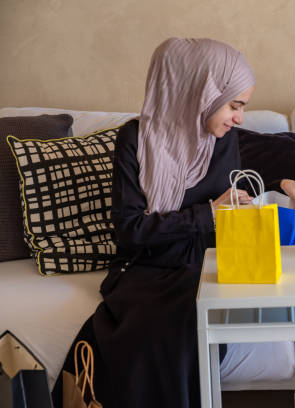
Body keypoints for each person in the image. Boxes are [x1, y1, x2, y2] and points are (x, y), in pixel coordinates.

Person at [52, 37, 258, 407]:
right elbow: (130, 230)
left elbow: (248, 189)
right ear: (200, 93)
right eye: (234, 105)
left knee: (193, 321)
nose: (239, 117)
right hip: (145, 266)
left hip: (203, 268)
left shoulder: (225, 141)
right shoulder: (135, 140)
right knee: (153, 332)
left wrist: (283, 182)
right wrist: (207, 214)